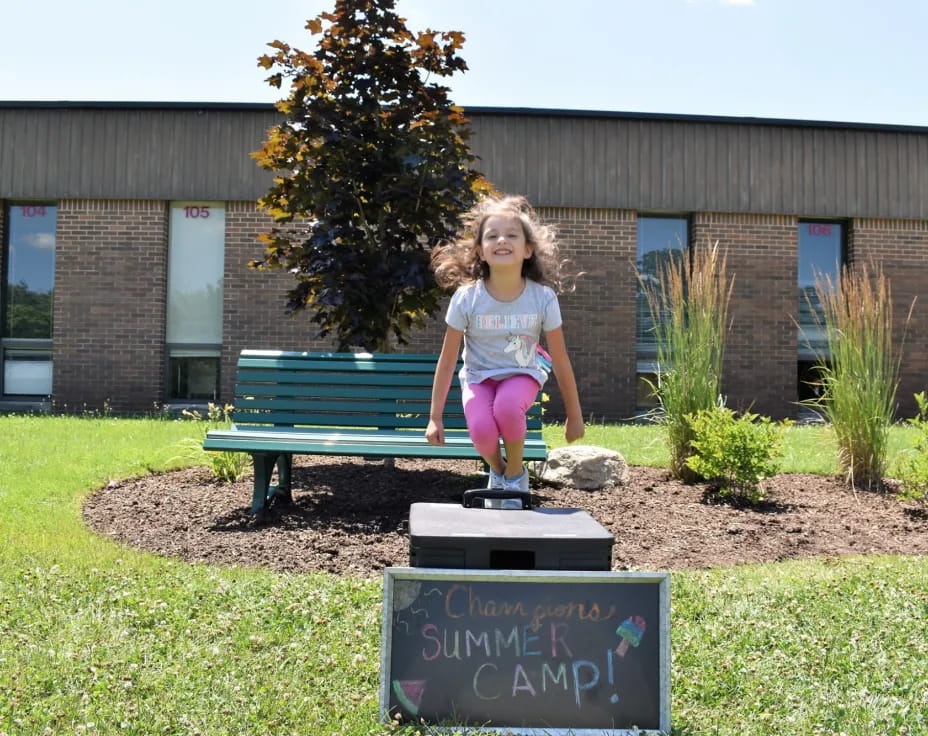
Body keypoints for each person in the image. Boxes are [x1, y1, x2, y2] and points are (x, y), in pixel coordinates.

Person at [425, 194, 585, 492]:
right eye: (492, 236)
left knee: (508, 407)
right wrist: (435, 418)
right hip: (478, 377)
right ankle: (502, 473)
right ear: (480, 252)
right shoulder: (467, 298)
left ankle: (514, 476)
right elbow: (447, 361)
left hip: (523, 370)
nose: (502, 240)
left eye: (512, 235)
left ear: (528, 249)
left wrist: (574, 417)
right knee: (482, 431)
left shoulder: (542, 298)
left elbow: (561, 360)